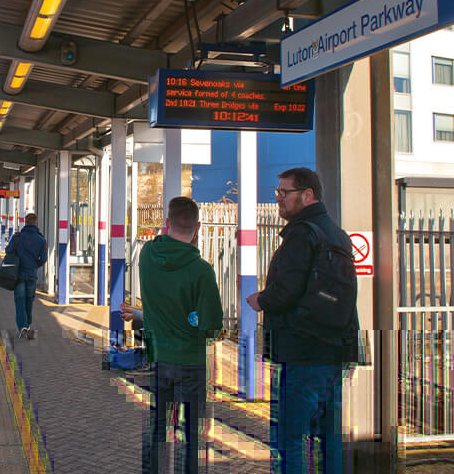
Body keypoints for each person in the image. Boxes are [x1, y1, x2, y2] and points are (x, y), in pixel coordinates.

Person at [245, 167, 356, 474]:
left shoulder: (301, 233)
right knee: (328, 437)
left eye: (285, 193)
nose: (279, 199)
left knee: (289, 439)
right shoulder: (336, 233)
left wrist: (261, 299)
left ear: (307, 195)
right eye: (278, 192)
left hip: (300, 353)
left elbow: (286, 291)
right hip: (333, 352)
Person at [139, 196, 224, 474]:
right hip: (192, 361)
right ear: (198, 227)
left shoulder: (148, 255)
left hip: (159, 358)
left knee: (156, 429)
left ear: (166, 223)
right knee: (191, 436)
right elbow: (212, 325)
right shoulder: (202, 271)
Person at [5, 213, 48, 339]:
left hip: (18, 274)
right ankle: (27, 324)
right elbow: (44, 258)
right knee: (29, 300)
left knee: (19, 300)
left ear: (25, 222)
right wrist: (35, 265)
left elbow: (8, 251)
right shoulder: (41, 239)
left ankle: (22, 326)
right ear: (36, 223)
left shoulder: (17, 237)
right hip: (31, 275)